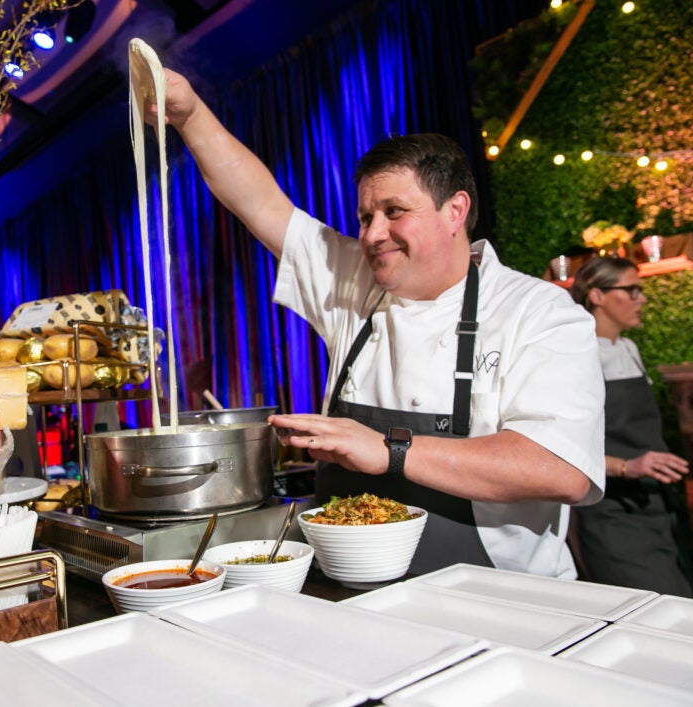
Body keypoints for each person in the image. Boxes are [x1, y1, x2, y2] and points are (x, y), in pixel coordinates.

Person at [146, 68, 606, 579]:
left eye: (394, 211)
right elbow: (259, 201)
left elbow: (559, 468)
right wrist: (188, 115)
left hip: (498, 592)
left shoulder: (538, 311)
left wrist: (389, 452)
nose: (373, 234)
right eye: (366, 217)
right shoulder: (356, 283)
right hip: (352, 581)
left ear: (455, 211)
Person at [569, 257, 693, 596]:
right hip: (612, 511)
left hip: (654, 503)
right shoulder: (577, 355)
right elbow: (568, 448)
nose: (642, 299)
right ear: (596, 295)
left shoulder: (629, 348)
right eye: (632, 290)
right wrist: (627, 466)